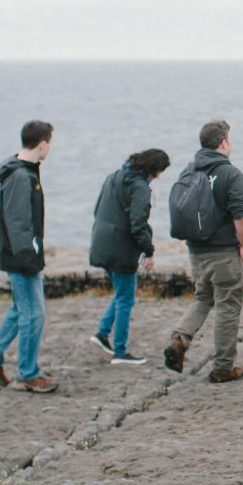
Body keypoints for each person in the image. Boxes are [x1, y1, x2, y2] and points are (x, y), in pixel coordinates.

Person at [0, 120, 58, 393]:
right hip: (20, 257)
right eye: (51, 143)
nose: (51, 148)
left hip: (18, 254)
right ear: (43, 144)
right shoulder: (21, 176)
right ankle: (29, 373)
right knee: (34, 314)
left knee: (21, 309)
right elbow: (18, 223)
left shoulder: (23, 170)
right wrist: (30, 259)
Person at [164, 120, 243, 381]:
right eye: (230, 139)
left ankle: (179, 339)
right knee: (227, 307)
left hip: (196, 250)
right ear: (223, 142)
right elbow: (240, 216)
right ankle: (223, 367)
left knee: (202, 298)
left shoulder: (189, 170)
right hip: (224, 252)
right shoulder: (230, 173)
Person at [87, 148, 171, 365]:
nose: (160, 176)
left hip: (101, 242)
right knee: (126, 298)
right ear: (154, 170)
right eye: (161, 171)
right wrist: (148, 252)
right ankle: (120, 351)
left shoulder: (114, 176)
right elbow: (138, 225)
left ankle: (102, 334)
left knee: (121, 292)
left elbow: (97, 209)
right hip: (120, 248)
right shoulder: (141, 188)